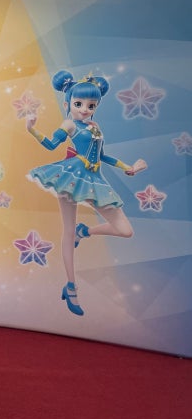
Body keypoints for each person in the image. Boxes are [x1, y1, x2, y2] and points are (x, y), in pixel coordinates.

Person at [26, 70, 146, 316]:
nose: (84, 109)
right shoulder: (69, 124)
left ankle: (86, 231)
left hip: (94, 178)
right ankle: (71, 286)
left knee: (125, 230)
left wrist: (128, 167)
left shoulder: (95, 127)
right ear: (67, 104)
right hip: (70, 175)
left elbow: (103, 156)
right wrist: (32, 129)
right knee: (68, 230)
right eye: (78, 104)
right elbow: (51, 145)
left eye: (91, 105)